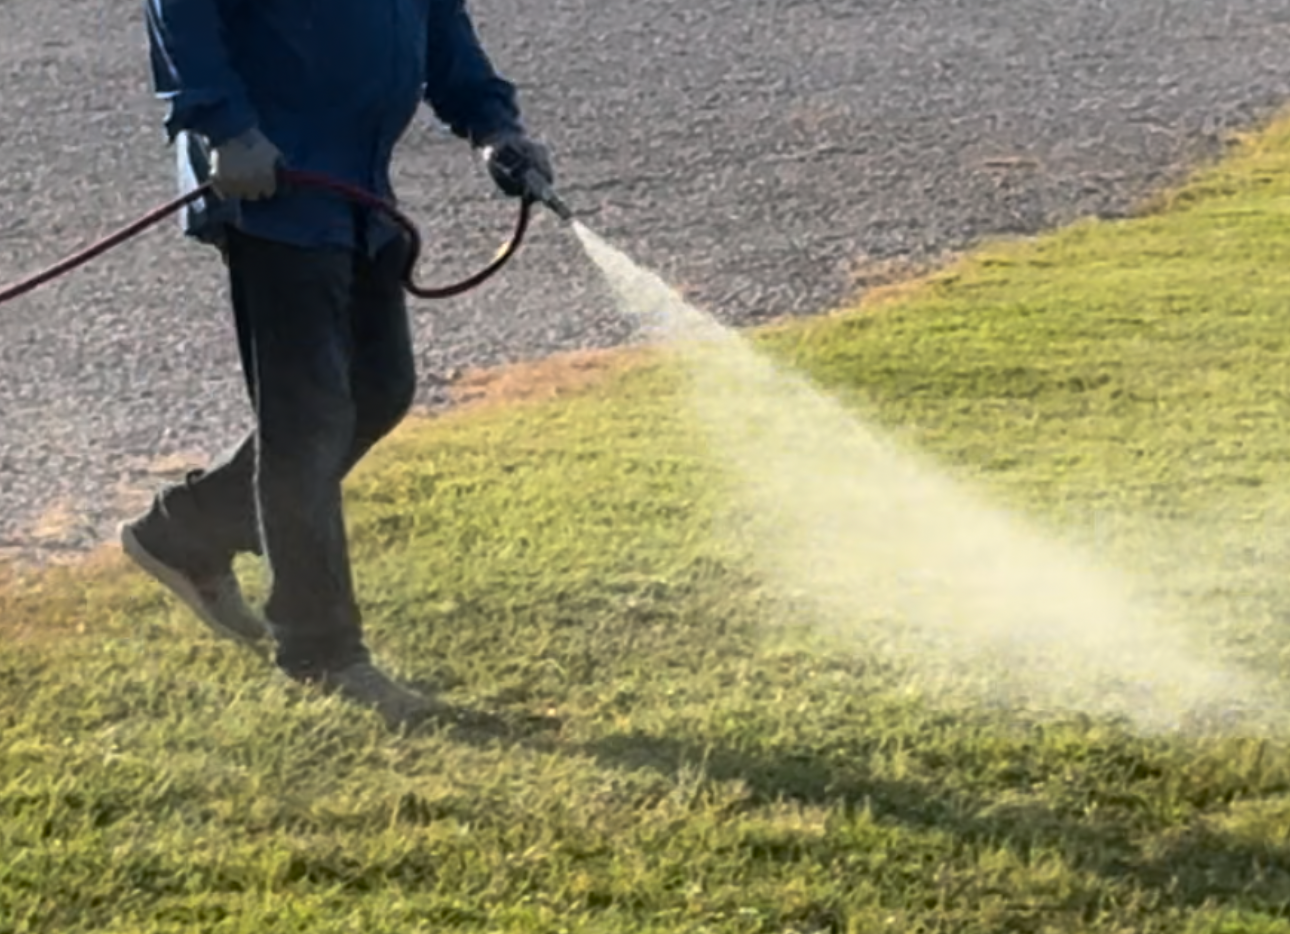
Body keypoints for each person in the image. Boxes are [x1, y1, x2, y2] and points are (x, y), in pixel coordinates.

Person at [123, 0, 556, 728]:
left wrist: (494, 125)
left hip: (356, 184)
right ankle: (323, 653)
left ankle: (186, 530)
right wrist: (224, 126)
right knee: (309, 419)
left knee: (379, 389)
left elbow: (438, 23)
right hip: (272, 180)